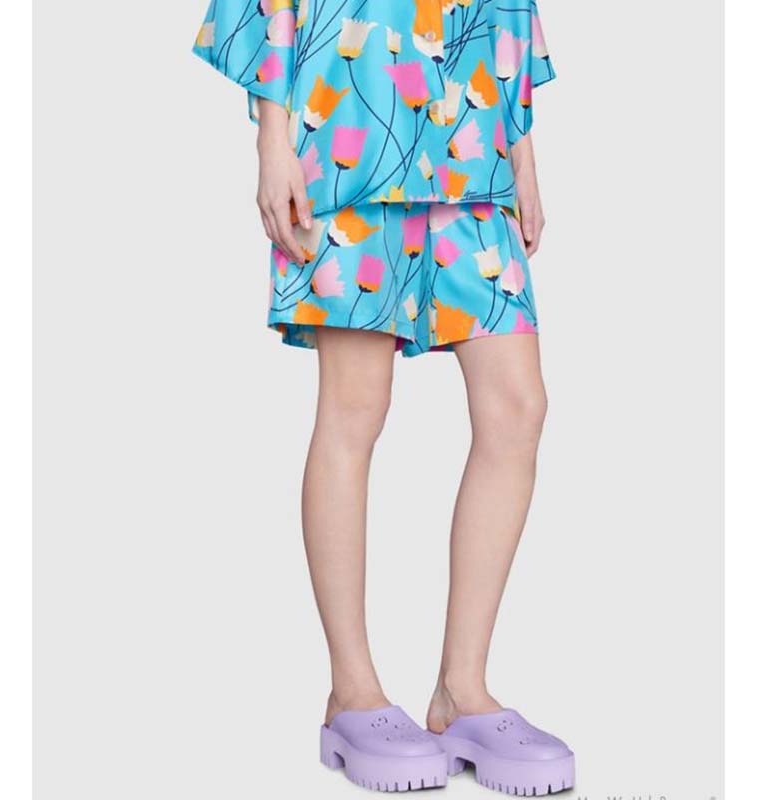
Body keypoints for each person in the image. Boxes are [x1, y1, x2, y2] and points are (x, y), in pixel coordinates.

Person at [194, 0, 574, 794]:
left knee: (517, 407)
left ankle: (461, 690)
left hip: (473, 133)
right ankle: (352, 691)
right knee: (356, 406)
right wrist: (272, 138)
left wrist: (523, 152)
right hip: (348, 127)